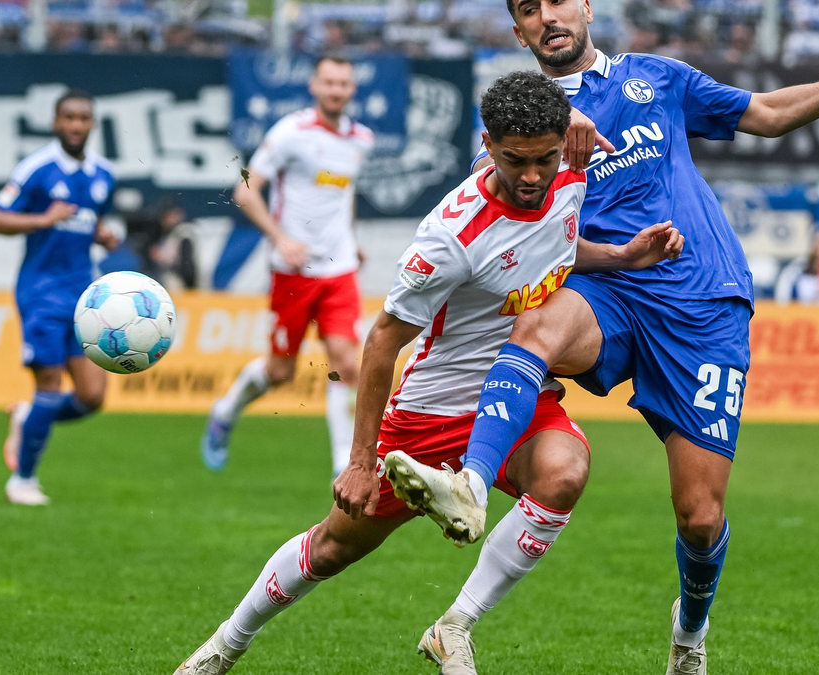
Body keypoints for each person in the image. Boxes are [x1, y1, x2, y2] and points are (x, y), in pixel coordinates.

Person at [390, 4, 819, 674]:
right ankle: (468, 491)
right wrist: (608, 239)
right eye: (528, 9)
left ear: (584, 6)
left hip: (702, 302)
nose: (548, 16)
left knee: (699, 516)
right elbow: (519, 242)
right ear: (518, 32)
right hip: (610, 286)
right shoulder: (516, 134)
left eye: (557, 0)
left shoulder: (656, 79)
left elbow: (769, 113)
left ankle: (689, 635)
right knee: (538, 325)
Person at [172, 71, 683, 675]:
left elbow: (561, 248)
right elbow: (382, 342)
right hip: (431, 412)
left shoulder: (569, 171)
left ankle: (454, 626)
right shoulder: (451, 236)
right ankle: (226, 644)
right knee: (335, 546)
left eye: (544, 159)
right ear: (487, 145)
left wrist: (623, 256)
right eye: (516, 161)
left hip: (514, 392)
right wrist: (360, 463)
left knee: (565, 472)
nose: (531, 177)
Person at [203, 55, 374, 478]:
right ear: (314, 86)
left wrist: (352, 240)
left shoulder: (361, 139)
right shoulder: (290, 133)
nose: (336, 89)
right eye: (329, 82)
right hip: (292, 273)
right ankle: (225, 410)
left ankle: (342, 464)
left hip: (339, 270)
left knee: (346, 364)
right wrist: (280, 237)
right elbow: (245, 191)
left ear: (352, 89)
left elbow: (343, 195)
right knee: (280, 371)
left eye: (343, 83)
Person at [0, 89, 120, 506]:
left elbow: (86, 222)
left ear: (92, 124)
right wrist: (43, 219)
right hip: (41, 292)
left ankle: (27, 419)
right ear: (55, 122)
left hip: (85, 295)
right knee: (48, 383)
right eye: (69, 118)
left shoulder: (103, 174)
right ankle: (22, 480)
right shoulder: (37, 169)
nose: (76, 125)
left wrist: (100, 234)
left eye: (84, 118)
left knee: (92, 396)